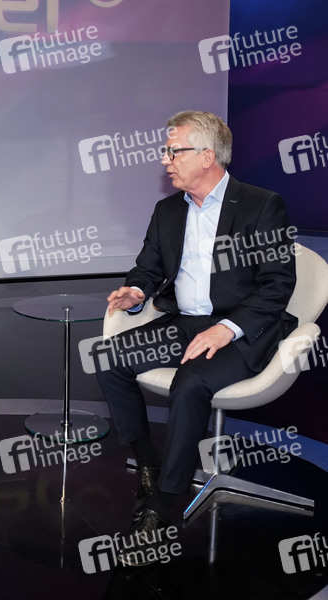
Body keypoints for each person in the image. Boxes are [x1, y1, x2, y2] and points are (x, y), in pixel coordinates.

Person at [97, 111, 297, 558]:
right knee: (109, 358)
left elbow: (278, 285)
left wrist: (226, 329)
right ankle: (149, 463)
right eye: (166, 151)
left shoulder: (261, 204)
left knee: (190, 383)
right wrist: (136, 290)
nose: (165, 159)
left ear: (207, 156)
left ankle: (164, 503)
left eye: (174, 151)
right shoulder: (168, 210)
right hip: (185, 322)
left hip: (240, 327)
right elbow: (148, 267)